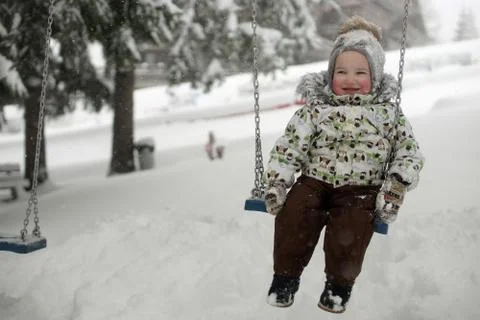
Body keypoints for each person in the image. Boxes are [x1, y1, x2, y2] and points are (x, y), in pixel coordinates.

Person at [263, 16, 424, 313]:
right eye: (341, 72)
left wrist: (396, 182)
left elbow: (409, 152)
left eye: (360, 72)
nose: (350, 80)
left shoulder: (388, 114)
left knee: (351, 228)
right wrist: (278, 180)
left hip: (360, 189)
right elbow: (289, 147)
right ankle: (284, 279)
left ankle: (338, 288)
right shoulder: (316, 110)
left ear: (375, 77)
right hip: (315, 180)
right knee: (295, 211)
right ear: (330, 75)